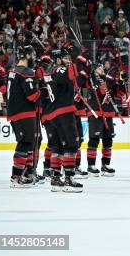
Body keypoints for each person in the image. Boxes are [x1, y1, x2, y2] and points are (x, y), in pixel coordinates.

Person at [41, 47, 82, 193]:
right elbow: (72, 73)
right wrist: (77, 57)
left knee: (57, 147)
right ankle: (69, 180)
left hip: (51, 114)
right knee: (71, 145)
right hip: (63, 111)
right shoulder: (59, 69)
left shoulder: (48, 70)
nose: (68, 61)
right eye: (65, 58)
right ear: (58, 59)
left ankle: (55, 178)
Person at [6, 45, 40, 187]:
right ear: (26, 56)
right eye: (32, 55)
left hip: (15, 112)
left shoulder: (13, 70)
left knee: (28, 142)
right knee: (25, 143)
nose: (33, 58)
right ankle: (16, 177)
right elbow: (32, 96)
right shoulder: (26, 71)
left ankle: (25, 173)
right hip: (23, 112)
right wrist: (42, 89)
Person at [85, 64, 120, 177]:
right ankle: (91, 166)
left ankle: (105, 165)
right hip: (96, 113)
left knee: (108, 140)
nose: (102, 70)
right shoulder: (92, 79)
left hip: (108, 112)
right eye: (99, 68)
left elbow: (120, 93)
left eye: (102, 68)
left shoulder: (108, 80)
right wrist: (110, 79)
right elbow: (102, 91)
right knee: (94, 139)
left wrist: (122, 82)